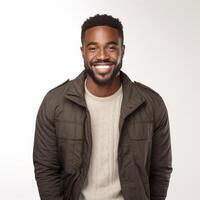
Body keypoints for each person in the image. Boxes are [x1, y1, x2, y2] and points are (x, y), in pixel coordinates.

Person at [33, 14, 173, 200]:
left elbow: (160, 170)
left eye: (111, 47)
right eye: (93, 48)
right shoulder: (54, 103)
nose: (102, 56)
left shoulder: (151, 104)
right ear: (83, 52)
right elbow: (46, 169)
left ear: (122, 50)